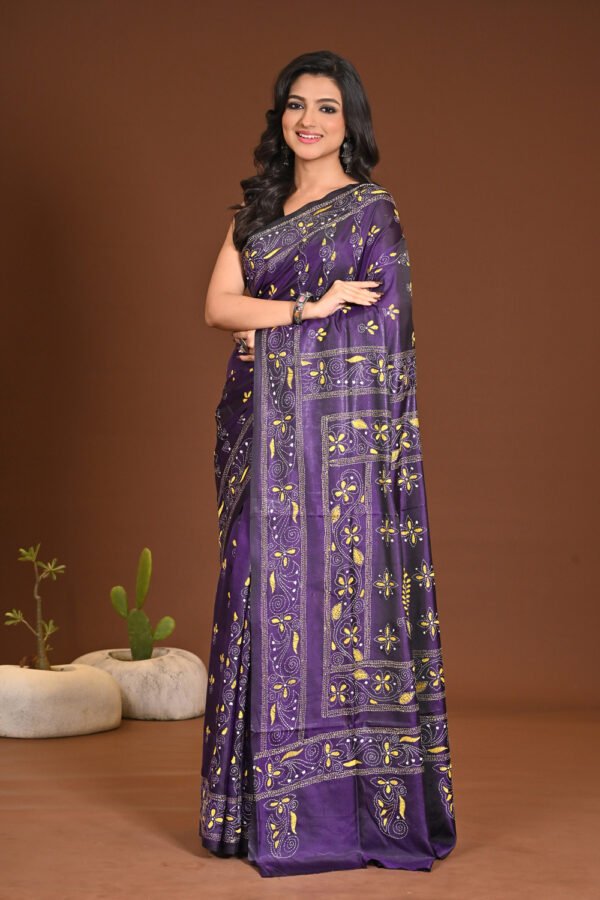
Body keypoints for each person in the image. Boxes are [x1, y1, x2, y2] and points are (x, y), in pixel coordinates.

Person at [199, 49, 457, 878]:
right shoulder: (255, 213)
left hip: (335, 457)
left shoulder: (372, 213)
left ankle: (338, 813)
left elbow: (384, 335)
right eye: (295, 105)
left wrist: (271, 332)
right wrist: (306, 310)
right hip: (258, 436)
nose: (307, 120)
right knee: (254, 593)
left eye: (326, 108)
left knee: (336, 597)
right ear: (279, 117)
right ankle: (248, 813)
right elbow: (216, 307)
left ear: (351, 124)